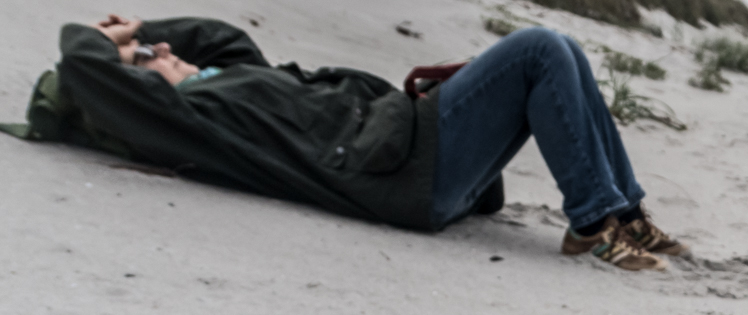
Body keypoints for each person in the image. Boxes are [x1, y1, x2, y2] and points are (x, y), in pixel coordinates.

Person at [7, 14, 682, 270]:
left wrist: (146, 31)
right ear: (135, 93)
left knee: (559, 47)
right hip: (399, 174)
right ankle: (591, 220)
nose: (159, 49)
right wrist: (107, 43)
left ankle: (623, 211)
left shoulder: (232, 73)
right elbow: (84, 66)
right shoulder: (193, 117)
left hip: (412, 154)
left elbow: (213, 35)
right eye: (145, 57)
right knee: (538, 47)